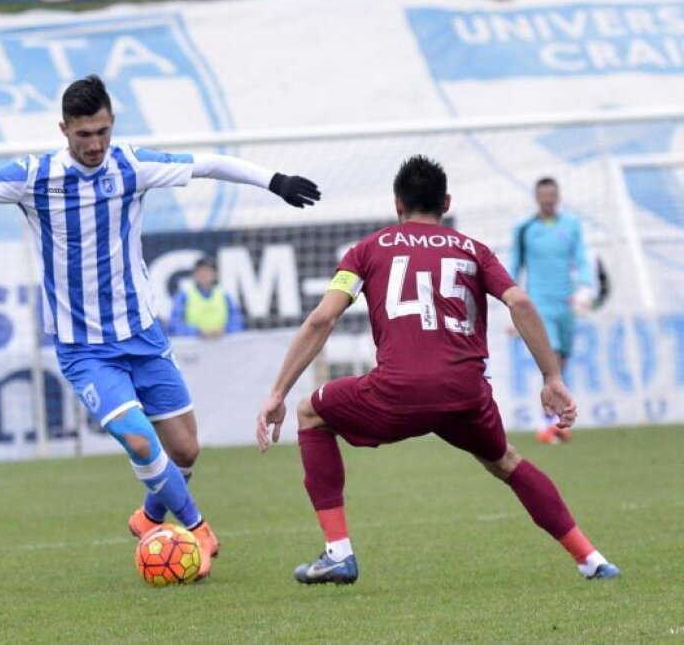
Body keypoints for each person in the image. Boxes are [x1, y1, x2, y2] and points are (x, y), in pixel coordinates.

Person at [0, 74, 321, 580]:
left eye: (102, 132)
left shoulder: (132, 165)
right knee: (139, 441)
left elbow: (207, 163)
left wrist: (275, 181)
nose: (95, 144)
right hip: (84, 350)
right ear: (64, 130)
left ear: (112, 124)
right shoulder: (34, 177)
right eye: (83, 135)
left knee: (186, 449)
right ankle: (198, 529)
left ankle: (150, 517)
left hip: (142, 336)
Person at [256, 155, 619, 584]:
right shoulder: (474, 250)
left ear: (397, 204)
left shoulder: (366, 250)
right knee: (506, 461)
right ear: (446, 202)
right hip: (465, 394)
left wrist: (277, 393)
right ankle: (591, 559)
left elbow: (322, 319)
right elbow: (520, 302)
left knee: (309, 413)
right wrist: (552, 377)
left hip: (397, 392)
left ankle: (338, 553)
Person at [509, 177, 593, 444]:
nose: (548, 200)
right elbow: (514, 265)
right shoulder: (525, 228)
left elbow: (581, 257)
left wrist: (585, 287)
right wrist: (510, 303)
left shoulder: (571, 225)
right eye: (544, 196)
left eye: (552, 196)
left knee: (562, 360)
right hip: (539, 302)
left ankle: (557, 420)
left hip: (566, 303)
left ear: (557, 197)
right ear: (537, 198)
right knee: (552, 358)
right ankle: (547, 423)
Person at [168, 256, 244, 338]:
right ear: (195, 275)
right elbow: (176, 325)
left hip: (222, 342)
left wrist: (224, 330)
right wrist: (198, 332)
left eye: (207, 271)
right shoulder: (184, 296)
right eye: (200, 272)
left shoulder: (225, 296)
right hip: (193, 344)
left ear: (214, 274)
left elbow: (237, 322)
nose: (204, 275)